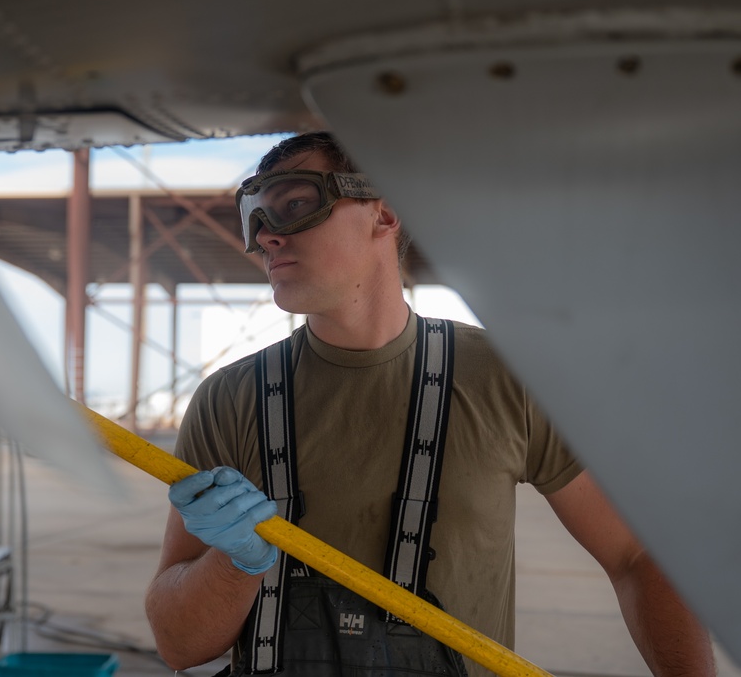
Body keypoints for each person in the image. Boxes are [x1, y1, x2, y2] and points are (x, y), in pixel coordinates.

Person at [145, 132, 715, 677]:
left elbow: (637, 558)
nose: (267, 235)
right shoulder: (230, 400)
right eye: (256, 217)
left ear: (384, 214)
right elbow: (180, 645)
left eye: (295, 204)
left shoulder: (508, 379)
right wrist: (233, 561)